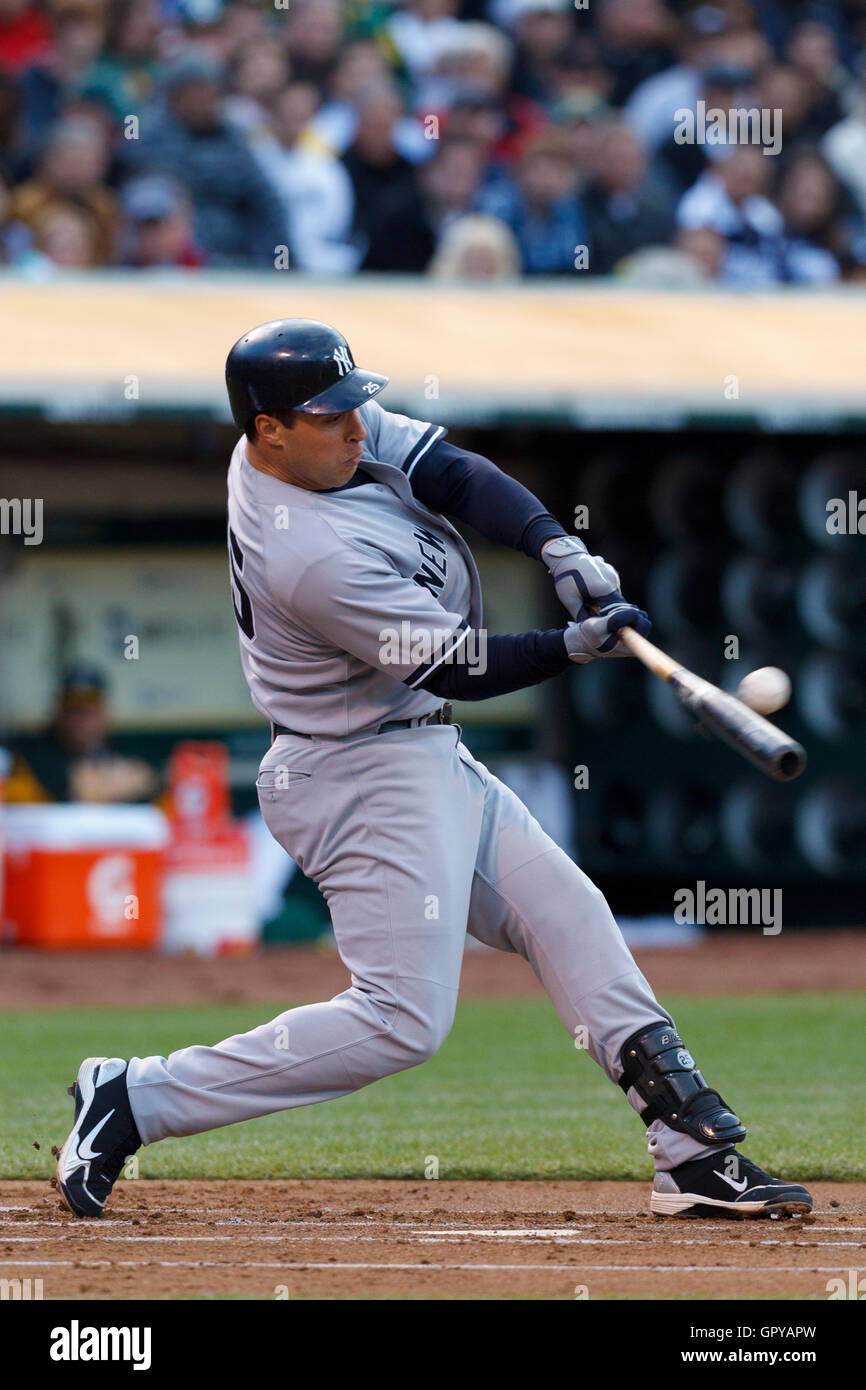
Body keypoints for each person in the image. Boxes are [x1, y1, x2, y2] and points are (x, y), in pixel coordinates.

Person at [57, 318, 813, 1224]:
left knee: (568, 913)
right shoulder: (305, 552)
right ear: (268, 432)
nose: (357, 427)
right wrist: (571, 646)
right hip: (355, 774)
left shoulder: (309, 441)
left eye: (353, 407)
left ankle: (689, 1148)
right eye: (331, 416)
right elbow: (453, 663)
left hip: (416, 750)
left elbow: (452, 471)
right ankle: (135, 1099)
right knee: (402, 1020)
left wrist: (551, 545)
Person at [5, 665, 158, 803]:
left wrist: (100, 786)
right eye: (73, 709)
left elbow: (148, 779)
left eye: (89, 710)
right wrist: (113, 784)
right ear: (59, 710)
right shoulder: (36, 751)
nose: (81, 719)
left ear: (103, 711)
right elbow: (80, 792)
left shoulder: (119, 746)